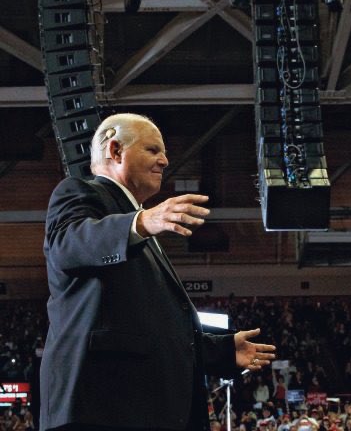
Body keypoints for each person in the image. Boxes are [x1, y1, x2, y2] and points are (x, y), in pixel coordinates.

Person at [40, 113, 276, 431]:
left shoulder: (140, 229)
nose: (164, 161)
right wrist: (142, 221)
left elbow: (153, 329)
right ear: (115, 150)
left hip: (137, 408)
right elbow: (65, 245)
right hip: (101, 407)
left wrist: (221, 351)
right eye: (152, 150)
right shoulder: (80, 193)